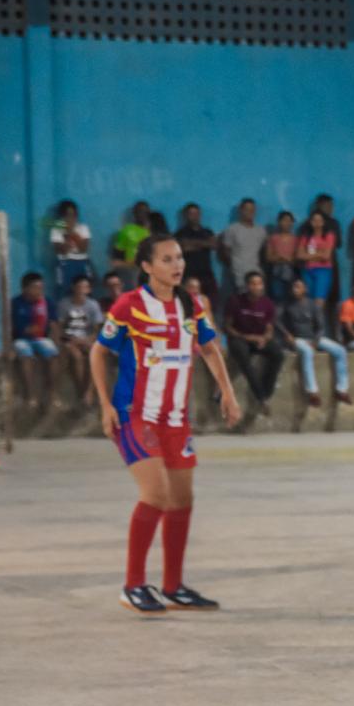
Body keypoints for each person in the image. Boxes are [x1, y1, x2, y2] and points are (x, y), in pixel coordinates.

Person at [90, 235, 242, 613]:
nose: (176, 265)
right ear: (146, 266)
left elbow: (208, 347)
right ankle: (133, 585)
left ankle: (173, 586)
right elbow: (98, 351)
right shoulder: (129, 306)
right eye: (166, 259)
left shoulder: (192, 305)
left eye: (179, 258)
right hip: (134, 415)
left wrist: (228, 391)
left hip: (176, 419)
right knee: (155, 494)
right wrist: (105, 404)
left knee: (182, 499)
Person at [278, 277, 351, 408]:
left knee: (340, 351)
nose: (296, 289)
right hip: (297, 339)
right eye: (294, 286)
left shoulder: (313, 305)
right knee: (307, 352)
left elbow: (321, 326)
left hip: (314, 338)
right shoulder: (286, 304)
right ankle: (312, 392)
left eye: (299, 287)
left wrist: (316, 341)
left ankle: (342, 390)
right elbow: (276, 321)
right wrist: (286, 334)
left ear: (305, 289)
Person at [224, 272, 285, 409]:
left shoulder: (268, 304)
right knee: (243, 356)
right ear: (247, 286)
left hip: (259, 339)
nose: (257, 287)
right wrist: (245, 337)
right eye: (253, 283)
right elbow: (228, 327)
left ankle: (266, 393)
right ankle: (261, 397)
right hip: (240, 338)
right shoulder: (235, 301)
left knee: (278, 355)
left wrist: (265, 338)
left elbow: (270, 328)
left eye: (260, 283)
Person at [54, 274, 104, 407]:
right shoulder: (64, 304)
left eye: (85, 287)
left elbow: (97, 329)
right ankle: (81, 391)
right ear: (73, 288)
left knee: (93, 357)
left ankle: (88, 392)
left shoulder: (93, 305)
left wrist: (87, 340)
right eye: (79, 286)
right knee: (76, 357)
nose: (82, 289)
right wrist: (70, 339)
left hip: (86, 340)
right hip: (69, 340)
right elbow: (59, 328)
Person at [11, 272, 58, 410]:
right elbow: (12, 326)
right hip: (22, 339)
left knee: (53, 354)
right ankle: (31, 395)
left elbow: (54, 323)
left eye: (41, 288)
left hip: (40, 338)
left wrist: (55, 340)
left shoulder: (46, 302)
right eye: (36, 288)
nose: (39, 291)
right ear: (25, 289)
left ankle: (52, 393)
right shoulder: (16, 303)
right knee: (26, 356)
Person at [218, 199, 267, 303]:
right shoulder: (232, 229)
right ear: (241, 211)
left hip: (256, 273)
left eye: (252, 210)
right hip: (238, 274)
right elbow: (225, 252)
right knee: (240, 304)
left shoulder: (261, 231)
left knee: (257, 303)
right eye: (247, 209)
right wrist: (234, 267)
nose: (250, 212)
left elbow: (263, 252)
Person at [175, 203, 219, 303]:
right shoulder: (180, 233)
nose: (194, 216)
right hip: (188, 274)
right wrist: (204, 243)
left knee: (210, 303)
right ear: (186, 215)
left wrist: (192, 243)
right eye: (191, 213)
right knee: (189, 304)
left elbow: (214, 245)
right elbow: (184, 247)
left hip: (207, 274)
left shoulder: (207, 231)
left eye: (196, 213)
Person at [50, 199, 94, 292]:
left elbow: (83, 249)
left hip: (82, 262)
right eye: (67, 215)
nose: (71, 218)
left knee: (85, 290)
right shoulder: (56, 230)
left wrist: (71, 232)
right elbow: (61, 250)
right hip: (64, 263)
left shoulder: (83, 228)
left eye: (74, 215)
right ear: (62, 216)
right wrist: (67, 232)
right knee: (64, 290)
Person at [110, 201, 151, 287]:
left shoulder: (154, 230)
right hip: (133, 271)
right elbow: (117, 258)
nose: (142, 214)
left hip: (153, 270)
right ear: (134, 213)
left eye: (145, 212)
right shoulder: (127, 230)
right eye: (139, 211)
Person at [264, 211, 299, 304]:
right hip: (276, 272)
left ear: (292, 223)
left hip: (291, 271)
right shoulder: (273, 238)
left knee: (291, 298)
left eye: (289, 221)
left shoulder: (296, 239)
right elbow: (268, 257)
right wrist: (281, 258)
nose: (287, 223)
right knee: (277, 297)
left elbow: (298, 257)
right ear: (279, 222)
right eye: (284, 220)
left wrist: (289, 259)